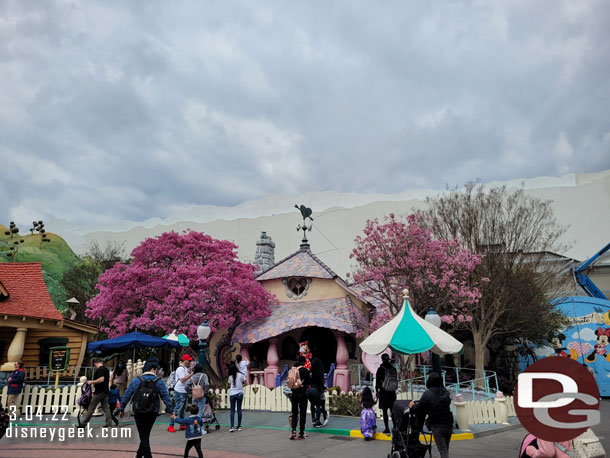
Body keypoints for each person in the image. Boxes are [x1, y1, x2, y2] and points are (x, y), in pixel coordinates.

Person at [119, 360, 174, 458]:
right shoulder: (158, 381)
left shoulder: (136, 380)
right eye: (156, 370)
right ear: (153, 369)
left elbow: (127, 394)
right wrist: (170, 410)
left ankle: (141, 455)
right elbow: (165, 396)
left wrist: (122, 408)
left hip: (138, 411)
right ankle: (141, 455)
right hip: (152, 411)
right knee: (145, 435)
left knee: (144, 435)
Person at [409, 372, 454, 458]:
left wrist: (412, 406)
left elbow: (418, 408)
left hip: (437, 424)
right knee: (445, 449)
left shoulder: (428, 393)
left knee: (443, 452)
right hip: (448, 424)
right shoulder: (446, 392)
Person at [80, 358, 113, 428]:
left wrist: (91, 382)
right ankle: (108, 423)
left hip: (99, 391)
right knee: (106, 407)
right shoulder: (106, 370)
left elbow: (101, 379)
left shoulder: (99, 370)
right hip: (105, 391)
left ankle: (83, 423)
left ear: (95, 363)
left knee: (91, 407)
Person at [169, 355, 195, 433]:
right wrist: (191, 374)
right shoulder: (180, 369)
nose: (189, 362)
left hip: (184, 391)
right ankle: (171, 425)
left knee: (183, 409)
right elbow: (183, 380)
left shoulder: (185, 369)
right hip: (179, 391)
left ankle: (182, 424)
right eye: (188, 360)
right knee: (177, 408)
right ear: (184, 360)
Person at [289, 355, 311, 440]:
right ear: (303, 362)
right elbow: (309, 382)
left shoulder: (292, 370)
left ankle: (293, 431)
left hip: (294, 394)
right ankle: (301, 433)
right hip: (302, 393)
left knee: (294, 413)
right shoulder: (304, 370)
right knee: (302, 413)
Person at [375, 353, 397, 435]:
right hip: (392, 392)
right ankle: (395, 427)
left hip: (384, 392)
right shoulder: (393, 368)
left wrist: (377, 390)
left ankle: (387, 428)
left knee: (384, 411)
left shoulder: (380, 369)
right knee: (393, 411)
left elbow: (377, 381)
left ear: (382, 359)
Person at [185, 363, 209, 432]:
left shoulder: (192, 377)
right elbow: (207, 384)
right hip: (202, 396)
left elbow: (186, 387)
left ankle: (193, 427)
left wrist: (191, 392)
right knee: (200, 411)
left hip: (194, 396)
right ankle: (198, 428)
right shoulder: (204, 376)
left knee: (194, 412)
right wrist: (204, 393)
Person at [228, 361, 245, 432]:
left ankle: (232, 426)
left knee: (232, 410)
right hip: (240, 393)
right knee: (239, 410)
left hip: (232, 393)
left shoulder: (230, 377)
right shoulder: (241, 375)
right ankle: (239, 426)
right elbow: (245, 382)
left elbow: (229, 385)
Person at [308, 356, 325, 427]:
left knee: (312, 404)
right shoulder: (319, 372)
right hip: (316, 390)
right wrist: (323, 388)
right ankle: (318, 421)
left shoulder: (310, 372)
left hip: (310, 390)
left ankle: (313, 419)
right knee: (318, 405)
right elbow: (320, 383)